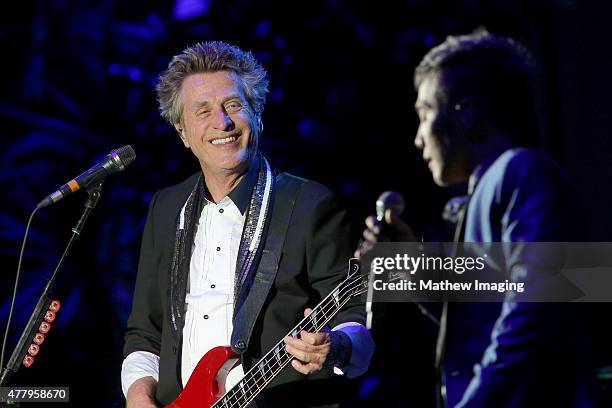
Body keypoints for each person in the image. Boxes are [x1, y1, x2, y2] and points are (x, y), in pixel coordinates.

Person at [122, 41, 374, 407]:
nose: (221, 122)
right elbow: (145, 331)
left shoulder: (311, 205)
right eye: (202, 111)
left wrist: (337, 346)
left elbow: (355, 313)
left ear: (258, 114)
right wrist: (139, 395)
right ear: (182, 133)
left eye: (234, 106)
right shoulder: (165, 208)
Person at [358, 31, 595, 407]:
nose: (419, 139)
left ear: (465, 113)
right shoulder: (488, 191)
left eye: (424, 114)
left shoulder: (522, 171)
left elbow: (531, 312)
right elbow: (474, 321)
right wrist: (407, 267)